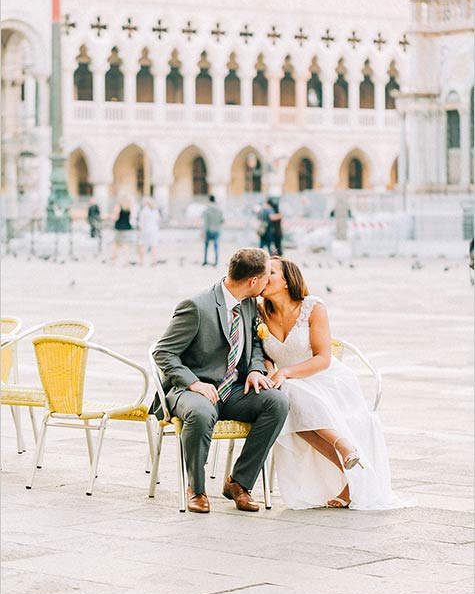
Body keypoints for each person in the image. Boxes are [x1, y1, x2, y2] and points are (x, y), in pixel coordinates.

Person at [259, 256, 409, 511]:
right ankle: (351, 469)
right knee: (290, 408)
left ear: (286, 280)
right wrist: (271, 371)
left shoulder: (313, 307)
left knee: (291, 394)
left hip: (323, 378)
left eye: (270, 273)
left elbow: (323, 358)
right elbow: (260, 355)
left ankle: (343, 446)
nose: (263, 278)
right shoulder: (259, 312)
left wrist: (285, 373)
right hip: (287, 382)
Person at [151, 247, 289, 514]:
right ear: (253, 281)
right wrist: (193, 383)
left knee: (277, 402)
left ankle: (239, 483)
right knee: (201, 413)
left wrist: (255, 371)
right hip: (192, 390)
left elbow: (256, 347)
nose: (267, 282)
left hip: (235, 390)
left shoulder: (248, 304)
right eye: (265, 277)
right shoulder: (196, 306)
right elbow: (163, 352)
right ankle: (196, 489)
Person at [137, 197, 161, 266]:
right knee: (154, 246)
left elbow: (141, 222)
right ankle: (153, 261)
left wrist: (140, 229)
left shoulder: (144, 210)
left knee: (141, 244)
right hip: (154, 229)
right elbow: (159, 220)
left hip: (145, 229)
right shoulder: (155, 210)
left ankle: (141, 261)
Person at [202, 194, 224, 266]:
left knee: (206, 246)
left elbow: (205, 223)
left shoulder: (206, 210)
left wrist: (203, 232)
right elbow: (222, 220)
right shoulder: (219, 210)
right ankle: (216, 261)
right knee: (216, 246)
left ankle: (205, 260)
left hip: (208, 230)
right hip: (217, 230)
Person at [111, 196, 134, 264]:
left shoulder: (118, 206)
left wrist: (111, 217)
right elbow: (130, 217)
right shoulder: (129, 207)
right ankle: (126, 261)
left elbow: (116, 217)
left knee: (116, 244)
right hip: (127, 227)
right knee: (125, 245)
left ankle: (114, 261)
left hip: (119, 227)